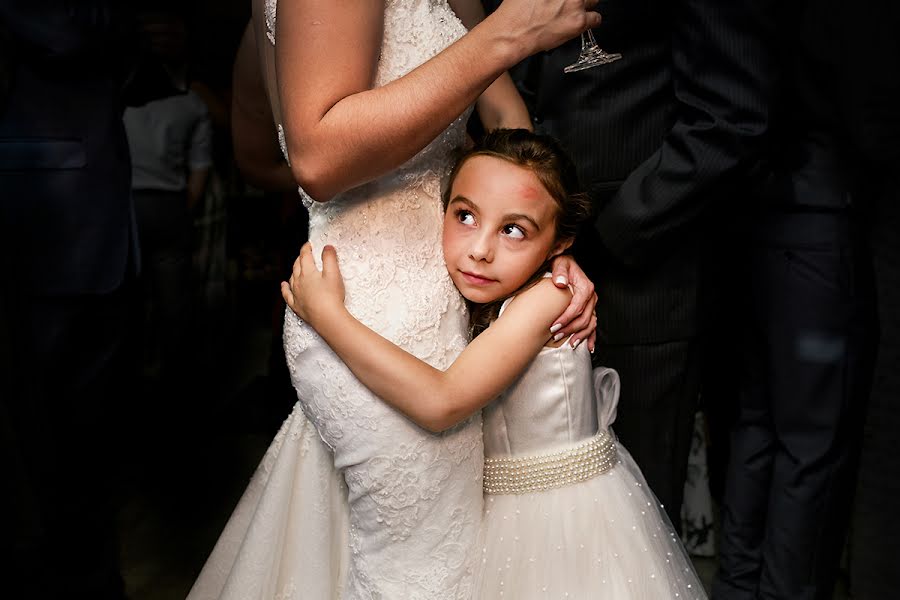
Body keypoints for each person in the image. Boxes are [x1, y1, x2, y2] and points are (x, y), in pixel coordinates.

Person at [187, 1, 600, 598]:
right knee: (419, 575)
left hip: (451, 311)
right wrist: (506, 37)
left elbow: (505, 111)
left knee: (425, 557)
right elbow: (316, 161)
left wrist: (537, 238)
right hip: (376, 313)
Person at [283, 128, 706, 599]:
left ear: (560, 243)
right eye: (465, 215)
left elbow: (442, 402)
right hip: (503, 512)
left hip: (562, 521)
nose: (481, 249)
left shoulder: (547, 298)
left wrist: (329, 317)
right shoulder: (492, 290)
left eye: (513, 230)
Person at [485, 0, 776, 529]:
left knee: (635, 525)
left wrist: (599, 239)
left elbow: (732, 114)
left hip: (642, 284)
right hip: (515, 272)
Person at [0, 2, 179, 597]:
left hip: (97, 227)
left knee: (90, 437)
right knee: (40, 441)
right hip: (45, 229)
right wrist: (127, 20)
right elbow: (60, 29)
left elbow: (133, 77)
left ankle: (88, 576)